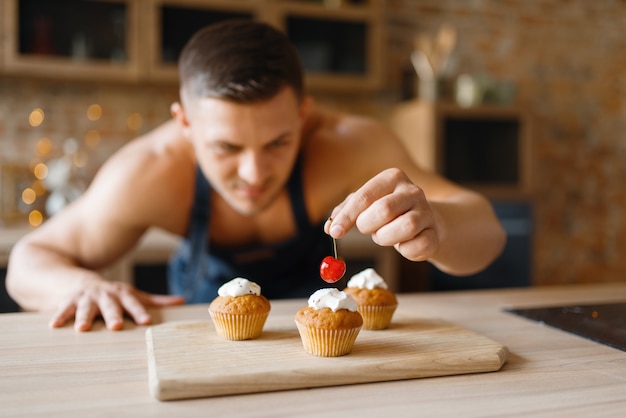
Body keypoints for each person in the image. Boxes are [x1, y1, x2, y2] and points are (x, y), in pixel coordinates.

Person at [6, 19, 506, 332]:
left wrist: (437, 226)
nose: (253, 172)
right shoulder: (148, 170)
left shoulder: (354, 146)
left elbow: (488, 232)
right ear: (184, 123)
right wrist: (76, 285)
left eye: (277, 143)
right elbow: (28, 260)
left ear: (303, 115)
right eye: (225, 147)